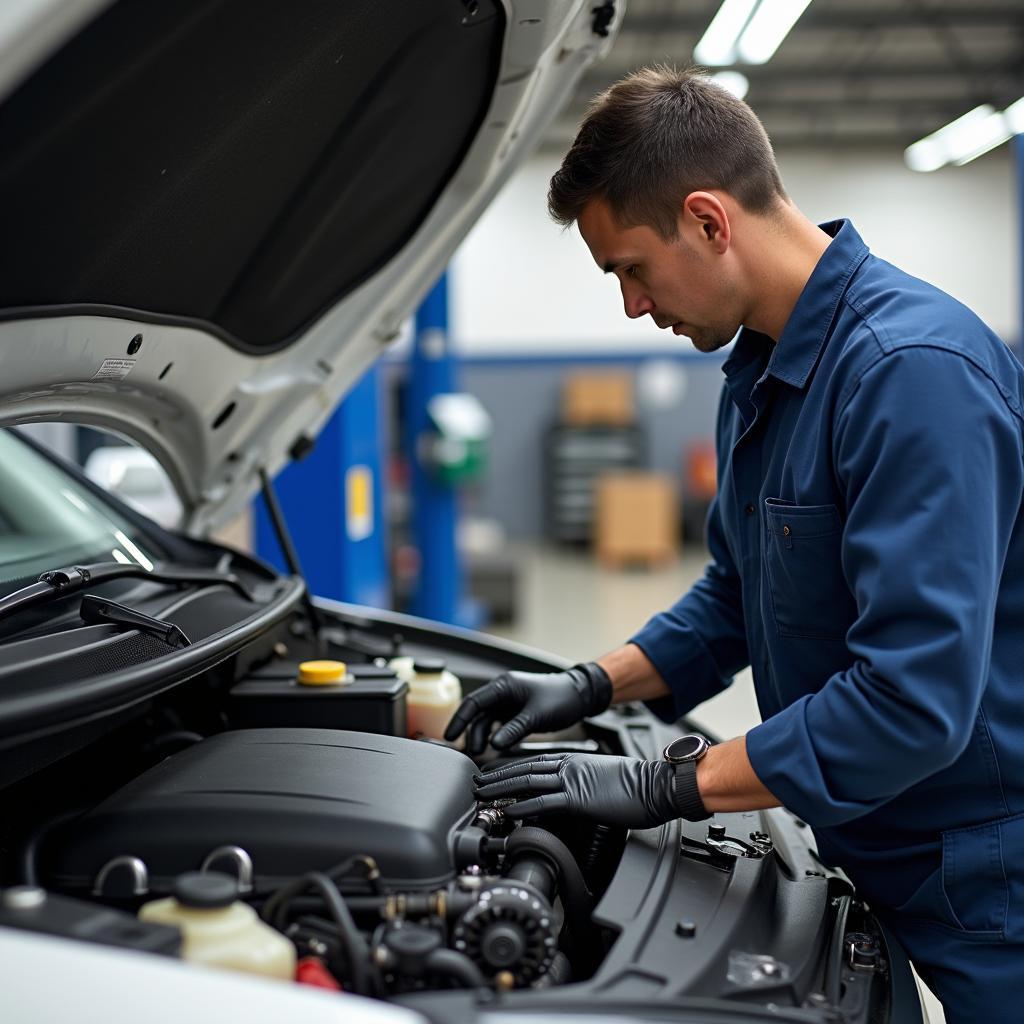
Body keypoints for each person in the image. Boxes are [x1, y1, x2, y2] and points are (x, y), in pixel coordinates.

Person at [444, 66, 1024, 1020]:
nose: (630, 306)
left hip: (983, 866)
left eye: (630, 267)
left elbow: (913, 702)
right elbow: (734, 597)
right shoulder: (758, 371)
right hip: (867, 835)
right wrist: (591, 684)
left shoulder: (911, 376)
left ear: (709, 221)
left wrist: (665, 783)